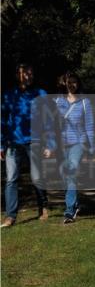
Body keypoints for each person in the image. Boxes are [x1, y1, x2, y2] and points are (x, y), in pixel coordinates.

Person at [1, 62, 49, 226]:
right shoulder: (8, 95)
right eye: (25, 73)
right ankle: (10, 216)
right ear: (18, 75)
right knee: (11, 179)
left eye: (31, 73)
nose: (29, 76)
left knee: (36, 177)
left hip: (34, 141)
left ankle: (43, 205)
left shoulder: (40, 94)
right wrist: (1, 144)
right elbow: (2, 121)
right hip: (13, 143)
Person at [46, 72, 95, 224]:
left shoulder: (85, 102)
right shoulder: (57, 101)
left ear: (78, 83)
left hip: (78, 143)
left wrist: (91, 148)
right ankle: (76, 204)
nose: (72, 85)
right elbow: (50, 126)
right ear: (64, 83)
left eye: (75, 82)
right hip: (61, 145)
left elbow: (89, 125)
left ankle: (69, 212)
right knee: (64, 178)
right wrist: (50, 145)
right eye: (69, 82)